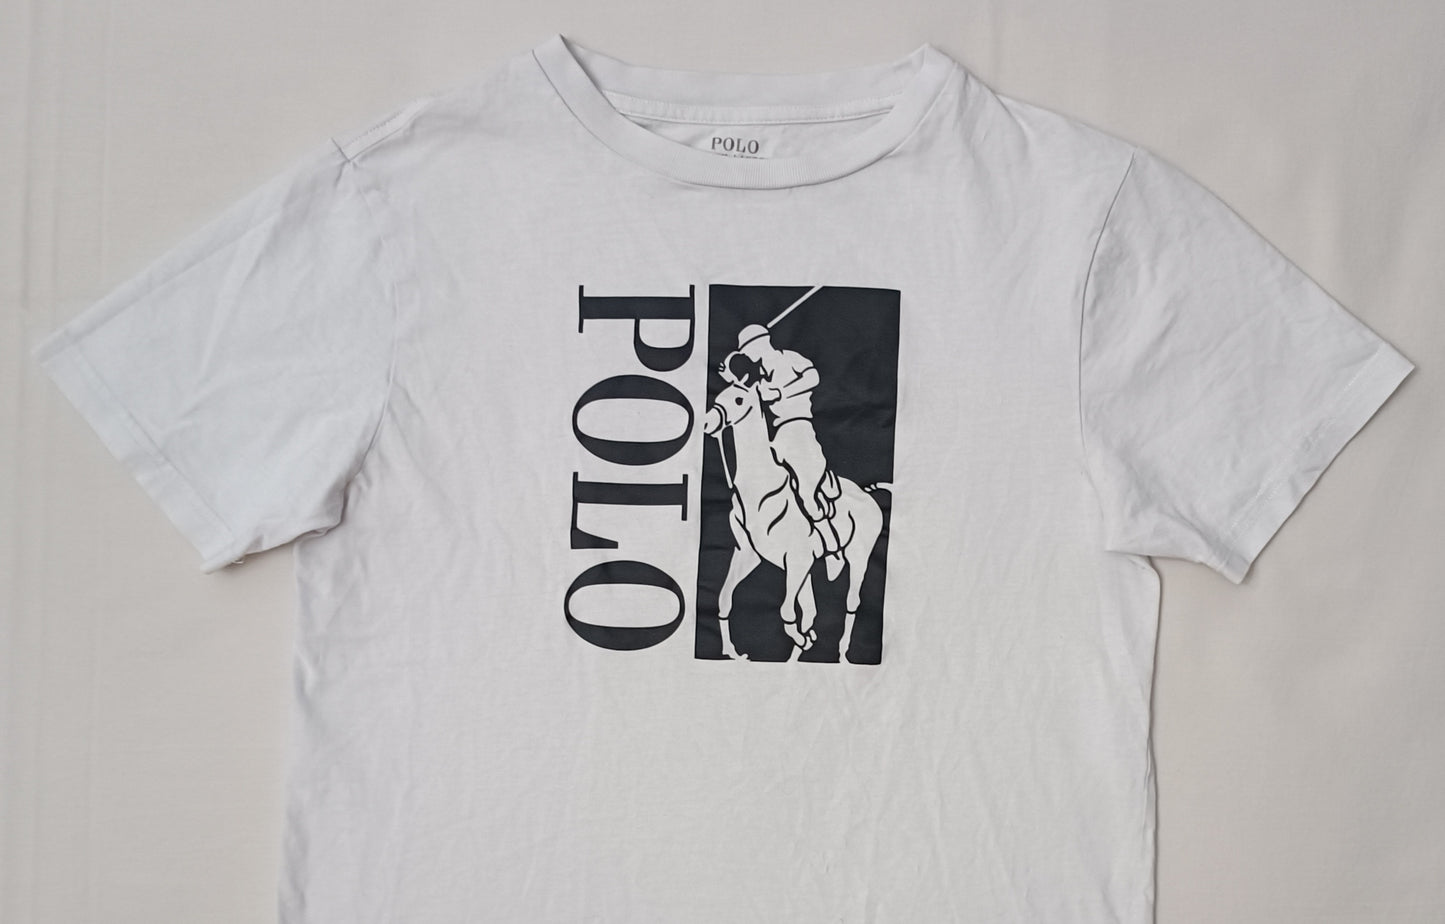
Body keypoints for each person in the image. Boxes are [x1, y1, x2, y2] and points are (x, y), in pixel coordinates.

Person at [732, 324, 844, 565]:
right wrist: (730, 377)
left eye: (748, 350)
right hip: (776, 435)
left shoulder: (790, 359)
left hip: (798, 427)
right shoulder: (759, 374)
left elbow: (813, 377)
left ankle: (832, 546)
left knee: (805, 493)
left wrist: (781, 392)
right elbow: (745, 397)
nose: (747, 355)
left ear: (760, 343)